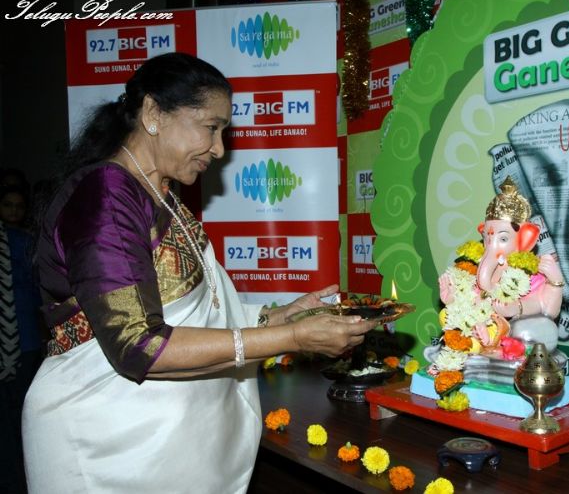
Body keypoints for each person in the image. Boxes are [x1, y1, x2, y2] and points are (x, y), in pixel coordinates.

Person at [22, 52, 379, 494]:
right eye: (211, 127)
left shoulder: (159, 192)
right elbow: (140, 345)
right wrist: (291, 339)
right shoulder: (107, 196)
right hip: (105, 447)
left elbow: (193, 309)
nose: (220, 149)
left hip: (157, 445)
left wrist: (278, 317)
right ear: (153, 114)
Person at [0, 185, 43, 494]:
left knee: (23, 415)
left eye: (19, 205)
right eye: (7, 204)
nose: (13, 210)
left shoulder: (28, 243)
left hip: (26, 342)